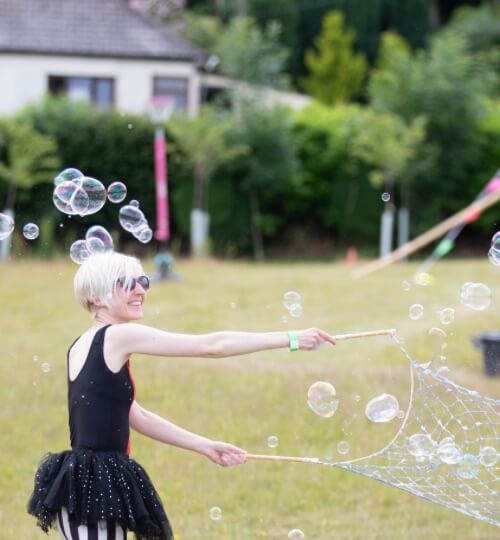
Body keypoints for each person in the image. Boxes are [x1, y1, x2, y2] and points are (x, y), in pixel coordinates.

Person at [28, 252, 336, 539]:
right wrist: (292, 338)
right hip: (99, 486)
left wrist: (203, 445)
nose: (140, 290)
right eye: (127, 283)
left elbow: (137, 415)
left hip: (86, 485)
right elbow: (211, 346)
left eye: (143, 281)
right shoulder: (119, 335)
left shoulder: (81, 344)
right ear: (97, 297)